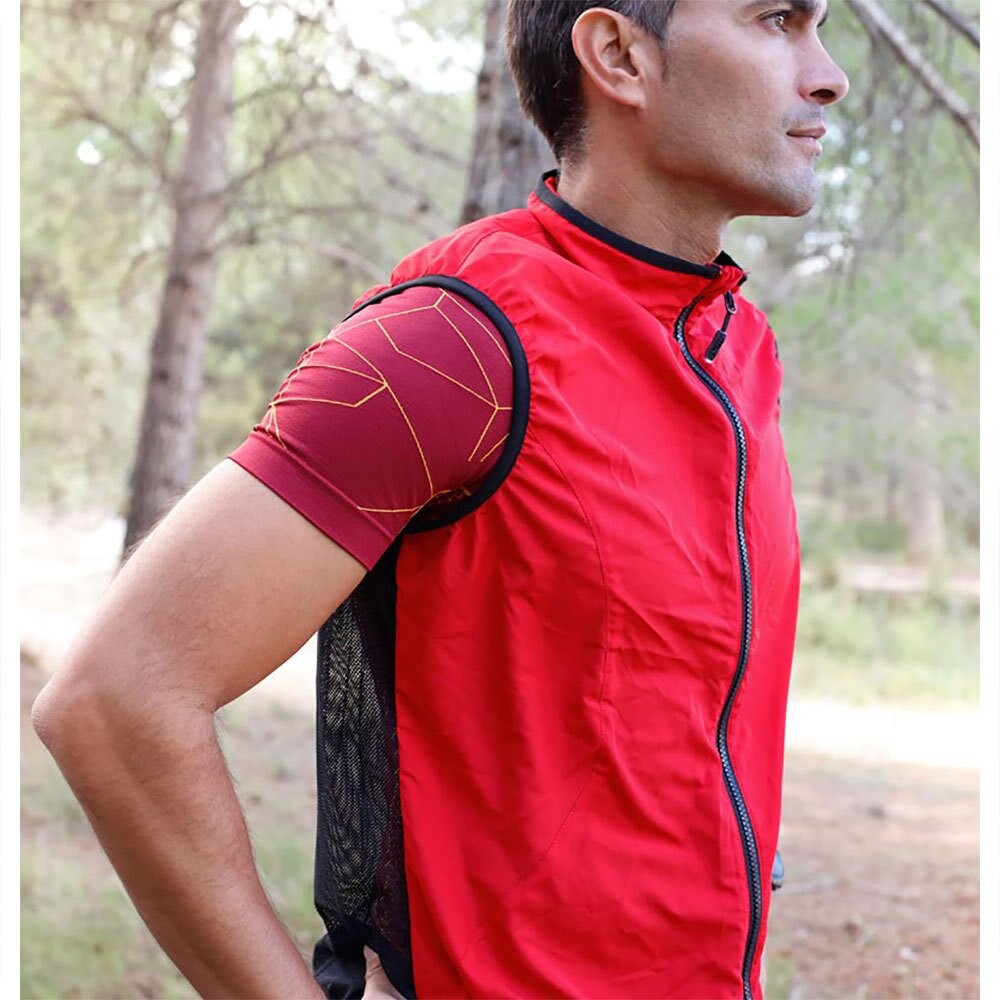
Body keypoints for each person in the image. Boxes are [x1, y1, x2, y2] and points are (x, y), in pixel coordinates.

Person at [31, 0, 849, 997]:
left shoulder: (736, 349)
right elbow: (116, 699)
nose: (827, 74)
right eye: (777, 19)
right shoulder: (449, 346)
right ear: (619, 56)